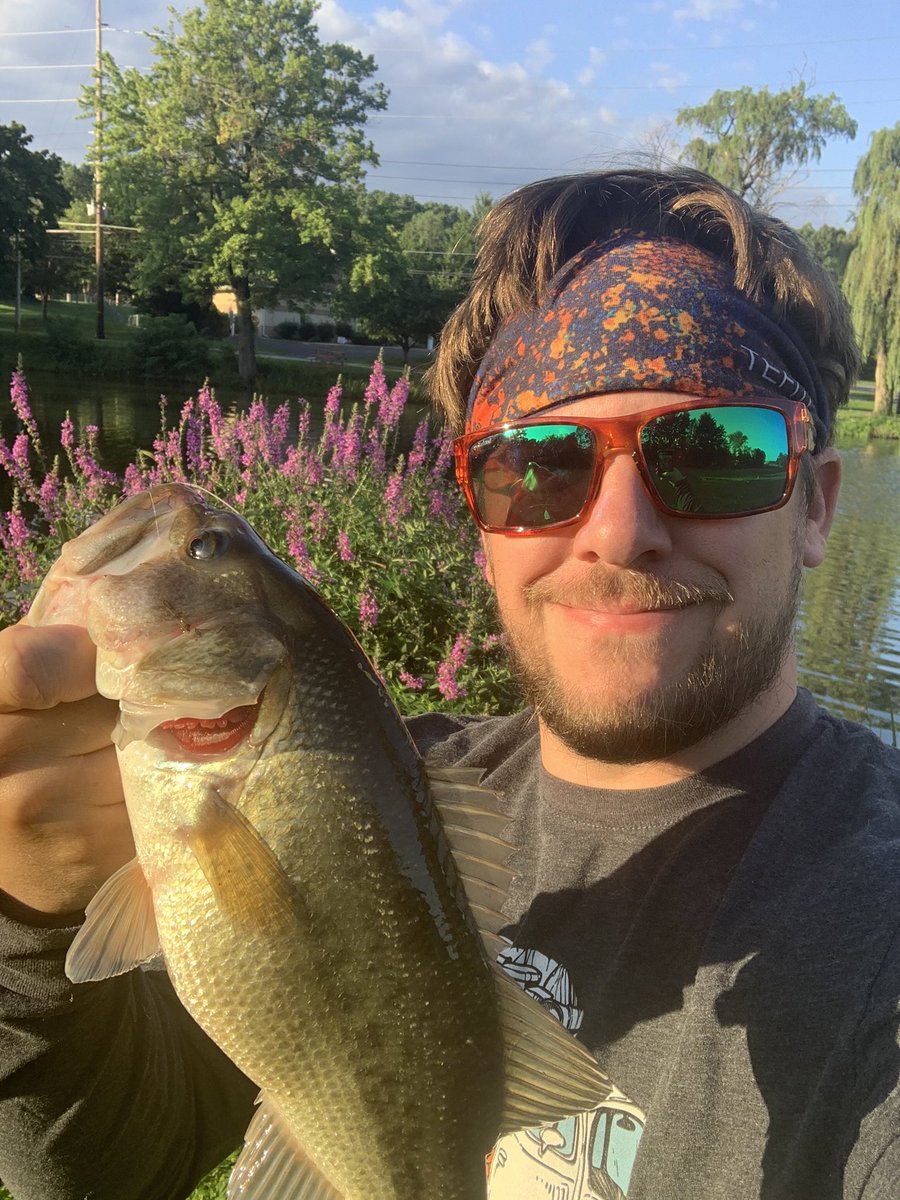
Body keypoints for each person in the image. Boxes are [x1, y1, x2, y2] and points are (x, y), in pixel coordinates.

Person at [0, 167, 897, 1200]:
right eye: (541, 467)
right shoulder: (407, 784)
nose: (620, 532)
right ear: (479, 514)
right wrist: (28, 920)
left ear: (818, 506)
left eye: (715, 449)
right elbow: (100, 1168)